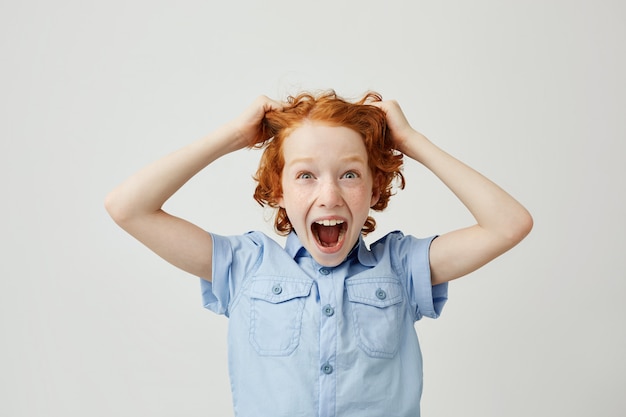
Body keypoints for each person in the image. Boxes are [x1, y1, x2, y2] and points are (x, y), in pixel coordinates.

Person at [105, 91, 533, 417]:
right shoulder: (245, 266)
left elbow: (508, 224)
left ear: (375, 188)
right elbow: (128, 207)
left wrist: (413, 141)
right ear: (278, 189)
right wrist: (235, 136)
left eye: (350, 174)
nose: (329, 195)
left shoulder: (401, 267)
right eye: (305, 175)